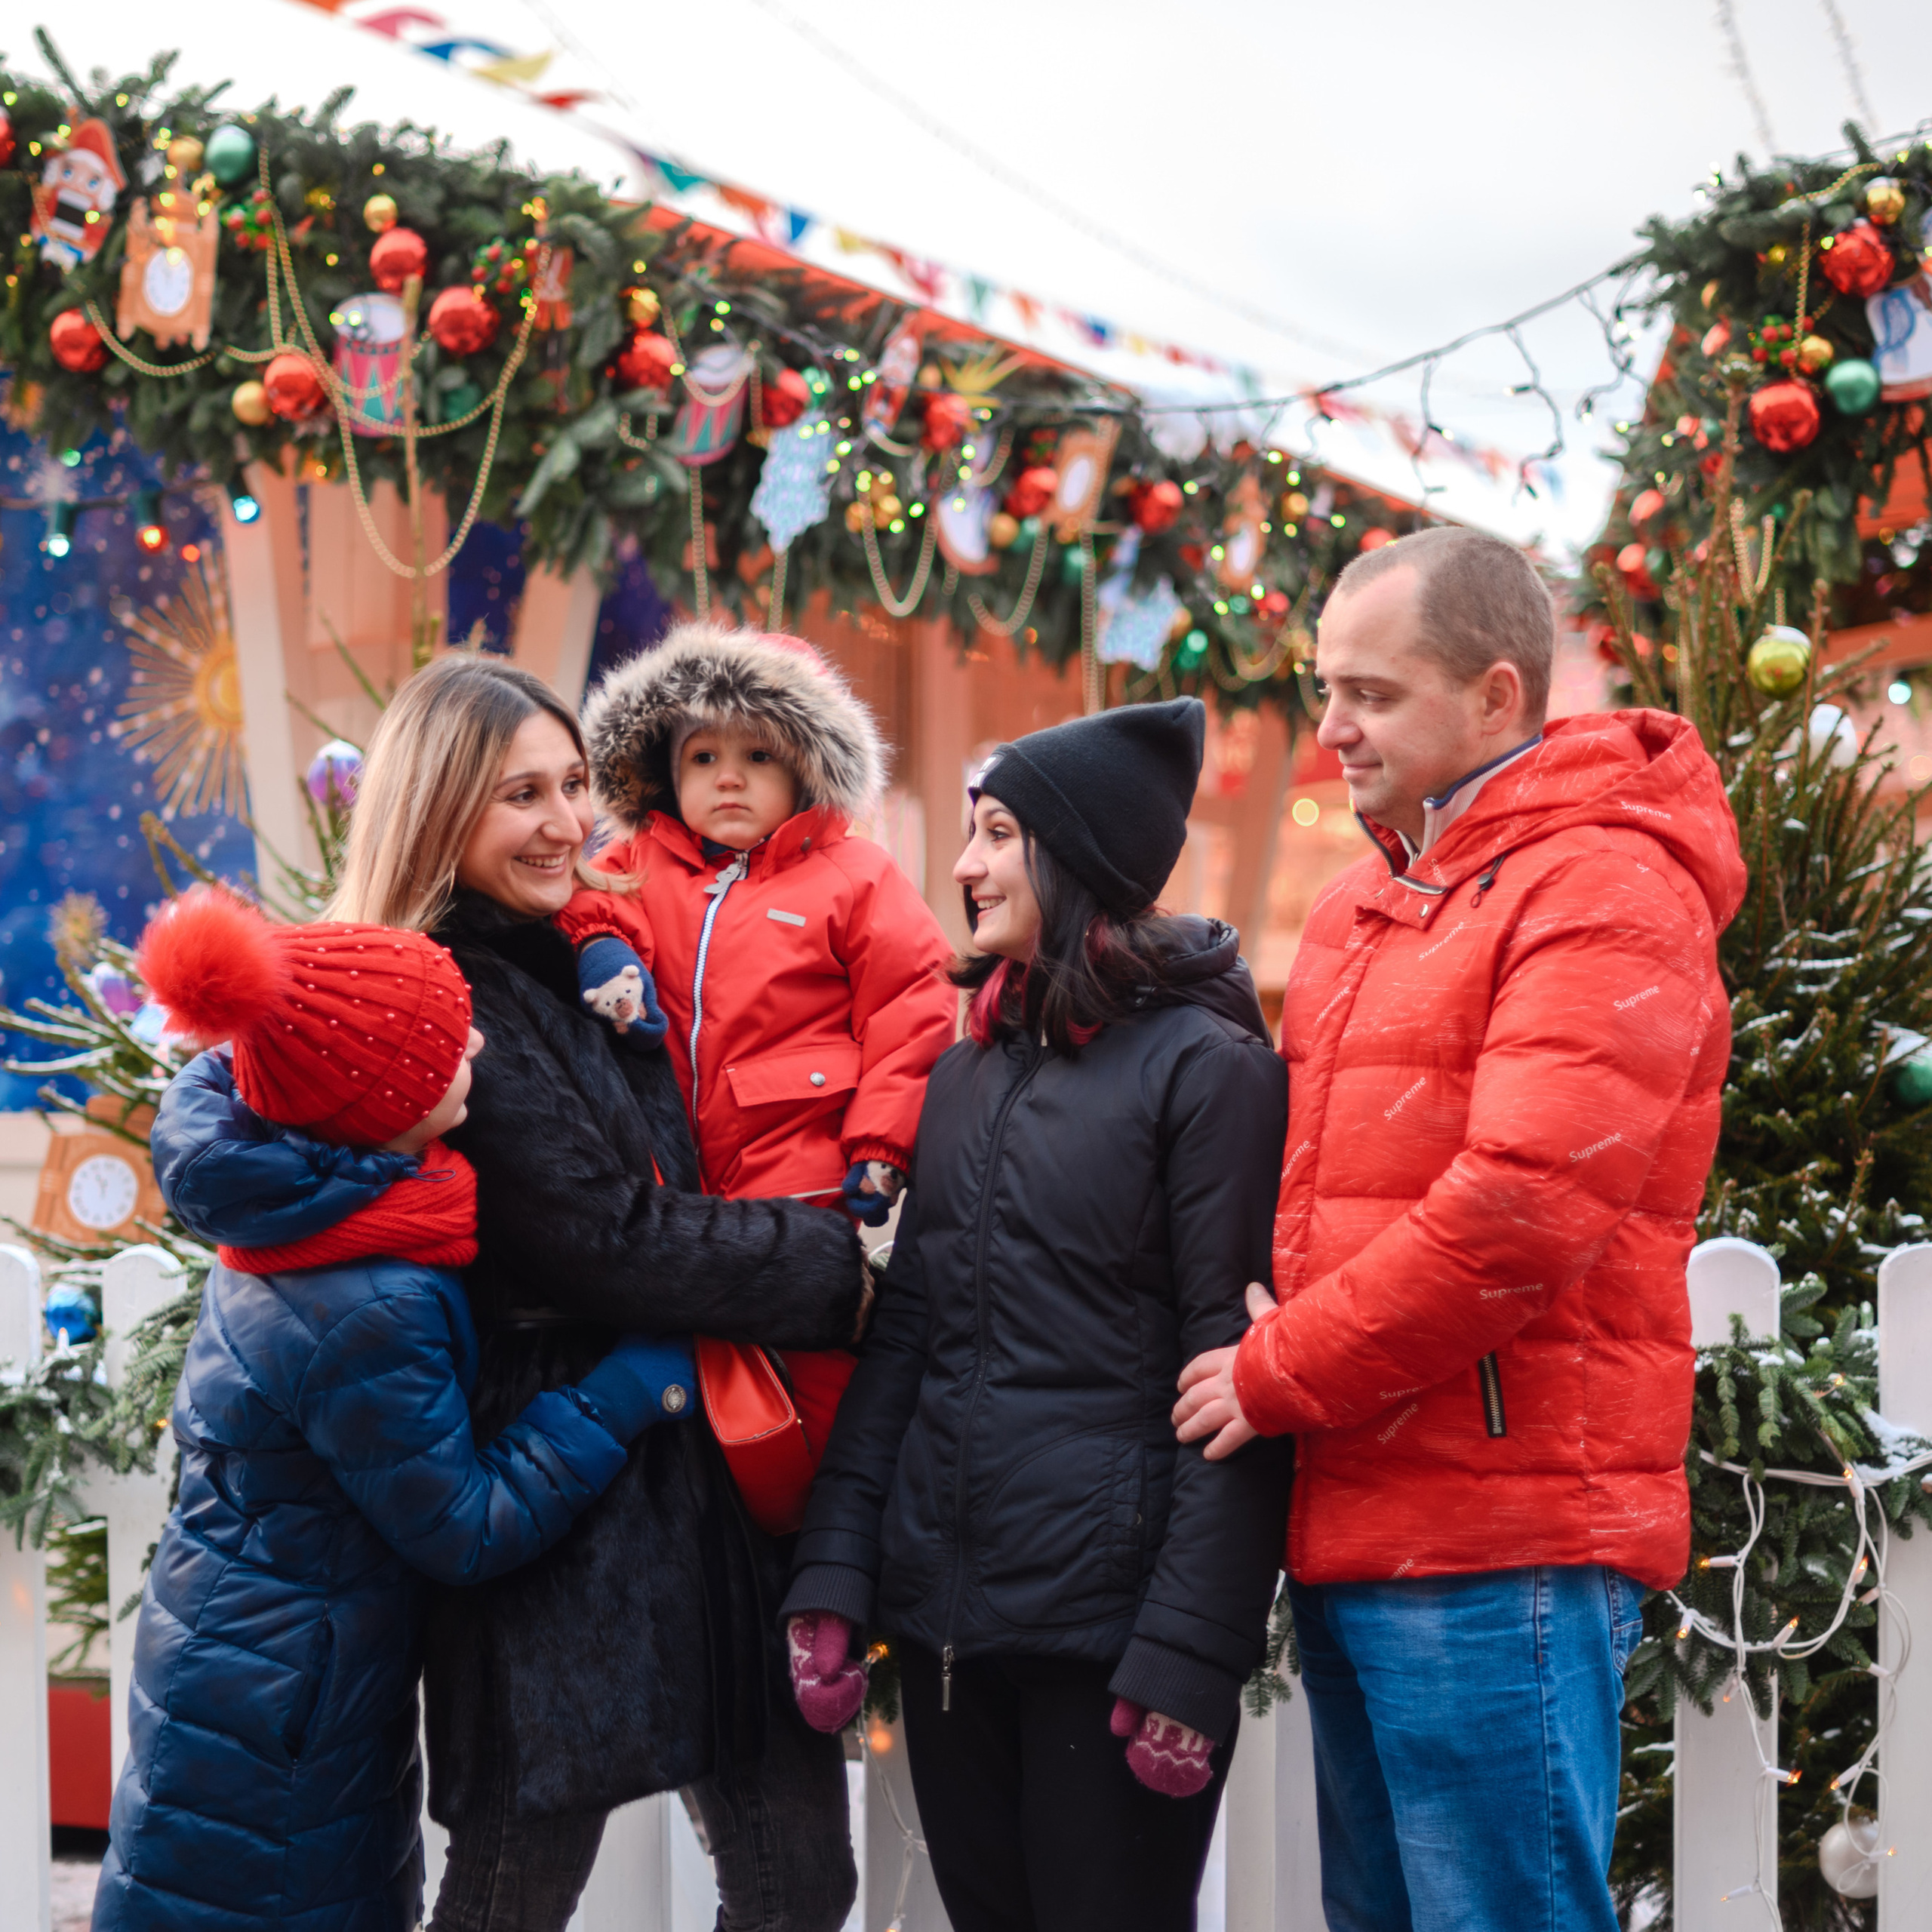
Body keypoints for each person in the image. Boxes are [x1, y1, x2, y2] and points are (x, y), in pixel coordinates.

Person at [1174, 525, 1748, 1932]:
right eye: (1328, 687)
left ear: (1497, 696)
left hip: (1506, 1532)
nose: (1333, 727)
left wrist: (1279, 1368)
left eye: (1372, 693)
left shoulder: (1605, 885)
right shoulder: (1368, 900)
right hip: (1362, 1505)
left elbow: (1523, 1208)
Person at [325, 653, 870, 1932]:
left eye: (574, 785)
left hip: (697, 1461)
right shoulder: (441, 991)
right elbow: (603, 1237)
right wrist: (838, 1271)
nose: (567, 823)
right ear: (437, 806)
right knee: (516, 1882)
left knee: (798, 1879)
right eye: (522, 794)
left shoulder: (577, 957)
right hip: (557, 1483)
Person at [784, 699, 1292, 1932]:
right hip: (951, 1633)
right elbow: (909, 1341)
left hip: (1107, 1645)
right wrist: (837, 1570)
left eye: (999, 834)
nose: (965, 865)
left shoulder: (1209, 1068)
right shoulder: (966, 1075)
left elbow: (1233, 1375)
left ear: (1079, 858)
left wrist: (1190, 1653)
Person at [94, 888, 694, 1932]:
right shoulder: (363, 1297)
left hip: (255, 1672)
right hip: (281, 1727)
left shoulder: (313, 1205)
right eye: (445, 1045)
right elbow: (463, 1526)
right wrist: (623, 1392)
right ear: (377, 1100)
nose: (478, 1044)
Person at [558, 620, 957, 1460]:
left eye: (759, 755)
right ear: (666, 770)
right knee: (682, 1385)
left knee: (813, 1372)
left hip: (796, 1172)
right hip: (662, 1169)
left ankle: (825, 1509)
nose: (729, 777)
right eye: (703, 756)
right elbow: (589, 901)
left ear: (807, 765)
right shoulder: (640, 859)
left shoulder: (854, 876)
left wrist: (881, 1142)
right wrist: (601, 948)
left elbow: (908, 1006)